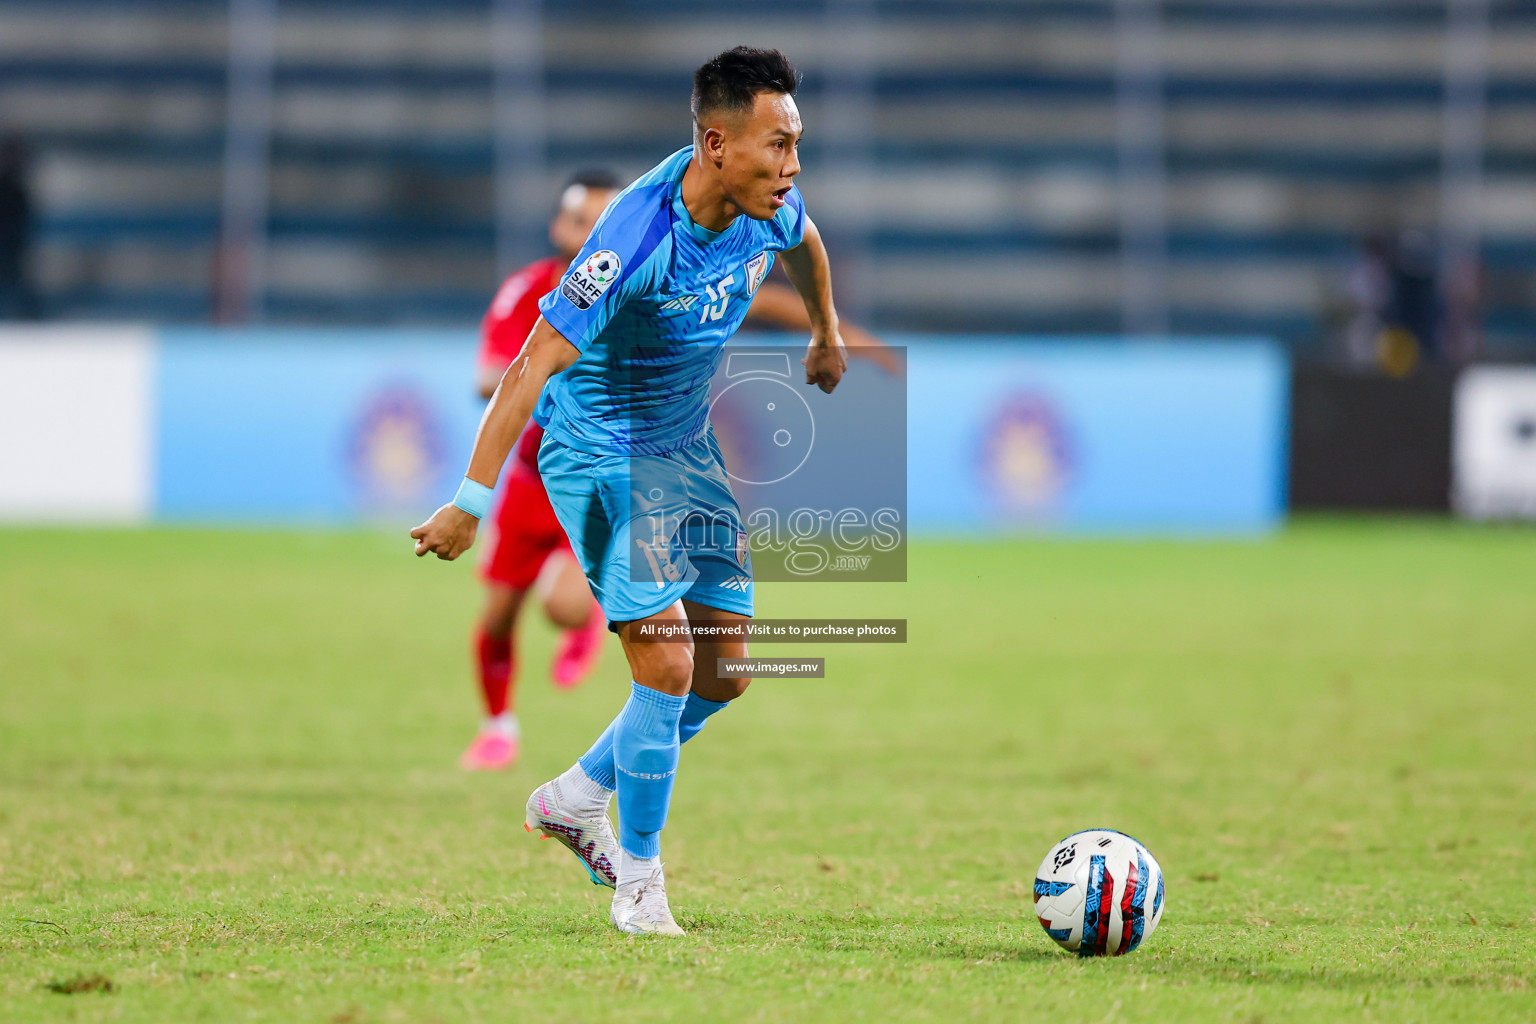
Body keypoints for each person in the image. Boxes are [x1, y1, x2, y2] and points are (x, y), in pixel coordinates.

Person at [412, 46, 848, 936]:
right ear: (718, 143)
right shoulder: (634, 236)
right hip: (601, 455)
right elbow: (531, 364)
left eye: (797, 142)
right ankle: (639, 881)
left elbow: (806, 243)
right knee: (669, 666)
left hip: (685, 450)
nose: (793, 164)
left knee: (725, 675)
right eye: (778, 145)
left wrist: (824, 335)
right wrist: (470, 499)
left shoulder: (771, 204)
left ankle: (573, 796)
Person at [458, 170, 623, 772]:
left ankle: (585, 619)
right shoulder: (527, 289)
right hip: (529, 483)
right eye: (579, 221)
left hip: (594, 480)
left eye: (602, 224)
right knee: (498, 618)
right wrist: (526, 374)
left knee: (564, 607)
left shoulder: (631, 292)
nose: (587, 237)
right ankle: (498, 727)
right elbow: (487, 373)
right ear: (559, 225)